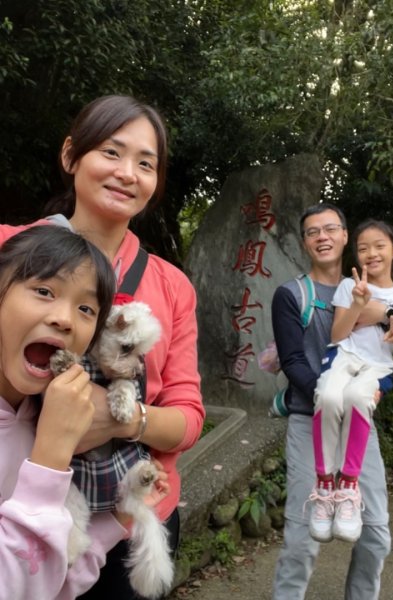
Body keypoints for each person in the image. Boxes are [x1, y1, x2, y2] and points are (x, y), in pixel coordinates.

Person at [0, 94, 205, 598]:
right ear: (72, 155)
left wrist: (122, 418)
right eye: (111, 152)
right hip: (21, 511)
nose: (127, 173)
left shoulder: (171, 285)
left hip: (128, 514)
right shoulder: (8, 249)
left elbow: (187, 415)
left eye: (146, 163)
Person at [0, 225, 170, 599]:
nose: (65, 318)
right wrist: (50, 455)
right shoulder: (47, 425)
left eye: (86, 308)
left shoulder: (39, 404)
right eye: (44, 291)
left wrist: (115, 521)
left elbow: (54, 582)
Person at [271, 204, 393, 600]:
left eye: (331, 228)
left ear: (345, 236)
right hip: (308, 421)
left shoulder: (380, 296)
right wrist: (327, 395)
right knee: (302, 542)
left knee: (375, 537)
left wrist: (377, 389)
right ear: (304, 242)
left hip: (357, 426)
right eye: (313, 231)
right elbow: (293, 360)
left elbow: (386, 356)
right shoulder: (291, 295)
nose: (323, 236)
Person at [308, 219, 393, 545]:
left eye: (379, 246)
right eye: (363, 248)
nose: (371, 253)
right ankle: (325, 486)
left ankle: (349, 486)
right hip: (344, 358)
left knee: (355, 398)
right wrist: (357, 302)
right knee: (326, 396)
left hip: (377, 366)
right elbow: (338, 335)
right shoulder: (348, 287)